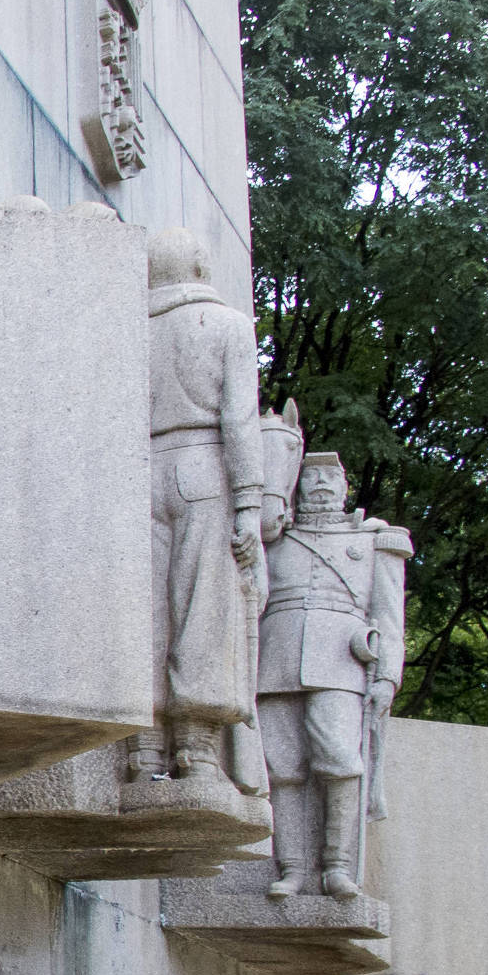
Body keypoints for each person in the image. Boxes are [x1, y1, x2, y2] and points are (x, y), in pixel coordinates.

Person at [138, 228, 262, 785]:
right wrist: (249, 505)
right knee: (202, 610)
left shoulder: (133, 326)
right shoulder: (229, 326)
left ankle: (141, 747)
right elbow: (240, 420)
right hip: (204, 467)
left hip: (142, 471)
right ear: (198, 267)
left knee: (147, 612)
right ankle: (196, 749)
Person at [258, 453, 409, 897]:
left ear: (346, 486)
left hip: (341, 660)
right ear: (296, 485)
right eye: (311, 476)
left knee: (340, 760)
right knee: (282, 768)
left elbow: (388, 617)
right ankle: (291, 869)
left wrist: (387, 677)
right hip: (276, 658)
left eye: (331, 477)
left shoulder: (372, 540)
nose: (321, 484)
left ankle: (337, 866)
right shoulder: (274, 539)